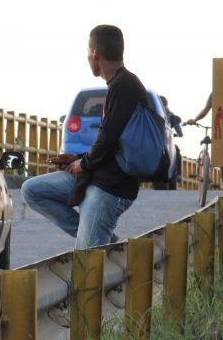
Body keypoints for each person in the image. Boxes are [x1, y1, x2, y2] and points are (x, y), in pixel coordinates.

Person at [22, 25, 149, 249]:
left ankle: (96, 241)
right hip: (97, 175)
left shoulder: (124, 86)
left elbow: (109, 137)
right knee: (32, 190)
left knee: (86, 261)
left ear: (95, 54)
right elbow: (111, 140)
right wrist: (77, 158)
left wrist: (85, 162)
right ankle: (101, 239)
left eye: (87, 53)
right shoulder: (119, 84)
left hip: (111, 187)